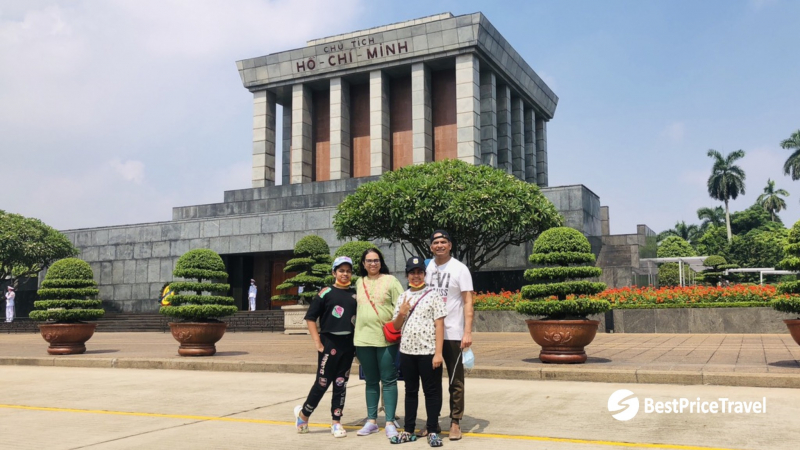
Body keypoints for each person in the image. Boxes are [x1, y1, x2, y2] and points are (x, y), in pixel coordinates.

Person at [294, 256, 357, 438]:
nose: (345, 274)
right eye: (341, 270)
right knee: (322, 383)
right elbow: (310, 317)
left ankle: (336, 422)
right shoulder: (325, 293)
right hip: (329, 344)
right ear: (334, 272)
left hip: (348, 345)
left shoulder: (355, 295)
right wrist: (317, 342)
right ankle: (303, 416)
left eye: (348, 271)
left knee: (340, 384)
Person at [390, 256, 446, 447]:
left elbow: (440, 326)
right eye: (412, 273)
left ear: (424, 274)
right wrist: (402, 311)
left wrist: (438, 353)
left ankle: (432, 430)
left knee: (431, 392)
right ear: (407, 275)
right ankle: (408, 430)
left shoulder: (433, 295)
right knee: (410, 391)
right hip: (407, 352)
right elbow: (396, 326)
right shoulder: (402, 297)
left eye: (419, 272)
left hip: (428, 352)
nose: (416, 276)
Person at [425, 230, 473, 441]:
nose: (440, 245)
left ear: (450, 245)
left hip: (453, 333)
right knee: (430, 381)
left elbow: (468, 301)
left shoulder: (460, 269)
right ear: (431, 247)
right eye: (436, 242)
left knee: (455, 380)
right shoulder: (427, 267)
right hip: (429, 334)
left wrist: (467, 332)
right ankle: (432, 422)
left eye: (444, 242)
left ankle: (455, 422)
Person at [354, 248, 404, 439]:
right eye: (368, 261)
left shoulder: (391, 281)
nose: (372, 264)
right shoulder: (359, 282)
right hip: (363, 339)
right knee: (371, 381)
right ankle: (372, 421)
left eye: (376, 260)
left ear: (381, 262)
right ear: (363, 263)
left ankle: (390, 422)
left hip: (386, 339)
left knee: (389, 380)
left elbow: (402, 305)